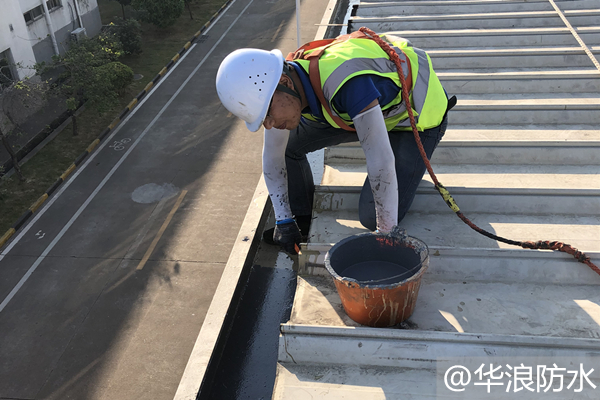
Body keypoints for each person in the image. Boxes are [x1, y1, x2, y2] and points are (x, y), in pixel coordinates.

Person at [216, 31, 454, 255]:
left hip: (414, 118)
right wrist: (284, 220)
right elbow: (273, 156)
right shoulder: (289, 88)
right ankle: (302, 219)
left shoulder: (346, 83)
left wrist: (386, 236)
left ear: (285, 84)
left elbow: (380, 161)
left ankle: (409, 171)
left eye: (267, 115)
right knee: (289, 147)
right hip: (362, 113)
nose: (268, 125)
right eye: (262, 121)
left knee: (372, 216)